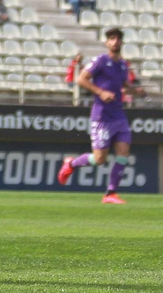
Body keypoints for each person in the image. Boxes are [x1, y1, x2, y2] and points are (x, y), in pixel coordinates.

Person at [57, 28, 138, 205]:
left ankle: (110, 193)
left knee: (123, 153)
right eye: (111, 38)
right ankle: (71, 164)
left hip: (119, 115)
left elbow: (122, 84)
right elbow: (81, 79)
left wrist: (134, 89)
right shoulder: (100, 61)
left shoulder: (123, 65)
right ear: (106, 42)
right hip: (102, 116)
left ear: (122, 42)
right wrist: (100, 92)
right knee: (100, 159)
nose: (115, 41)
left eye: (118, 38)